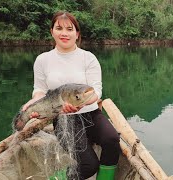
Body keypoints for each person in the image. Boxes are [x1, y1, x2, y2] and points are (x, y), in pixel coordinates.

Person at [21, 11, 120, 180]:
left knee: (111, 140)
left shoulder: (88, 58)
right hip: (63, 119)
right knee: (89, 165)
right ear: (52, 31)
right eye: (59, 28)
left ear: (77, 33)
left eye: (69, 29)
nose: (64, 33)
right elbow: (40, 89)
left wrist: (83, 103)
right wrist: (35, 101)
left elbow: (96, 90)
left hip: (91, 114)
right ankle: (58, 178)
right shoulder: (43, 60)